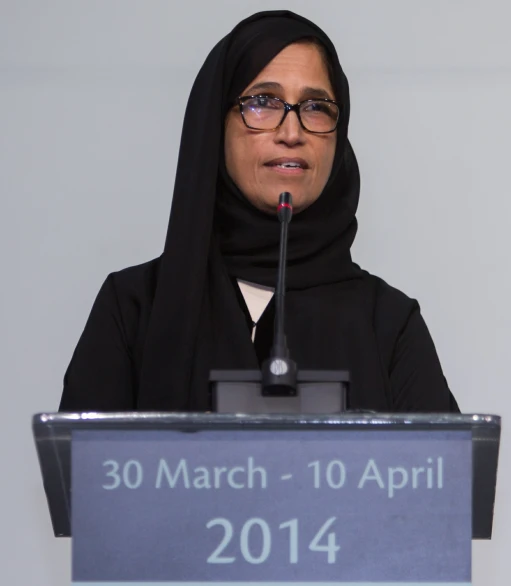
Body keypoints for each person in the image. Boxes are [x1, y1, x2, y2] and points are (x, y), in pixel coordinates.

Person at [58, 10, 460, 413]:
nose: (292, 132)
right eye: (263, 102)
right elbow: (87, 471)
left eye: (316, 106)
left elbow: (442, 472)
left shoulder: (387, 323)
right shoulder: (134, 308)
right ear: (216, 124)